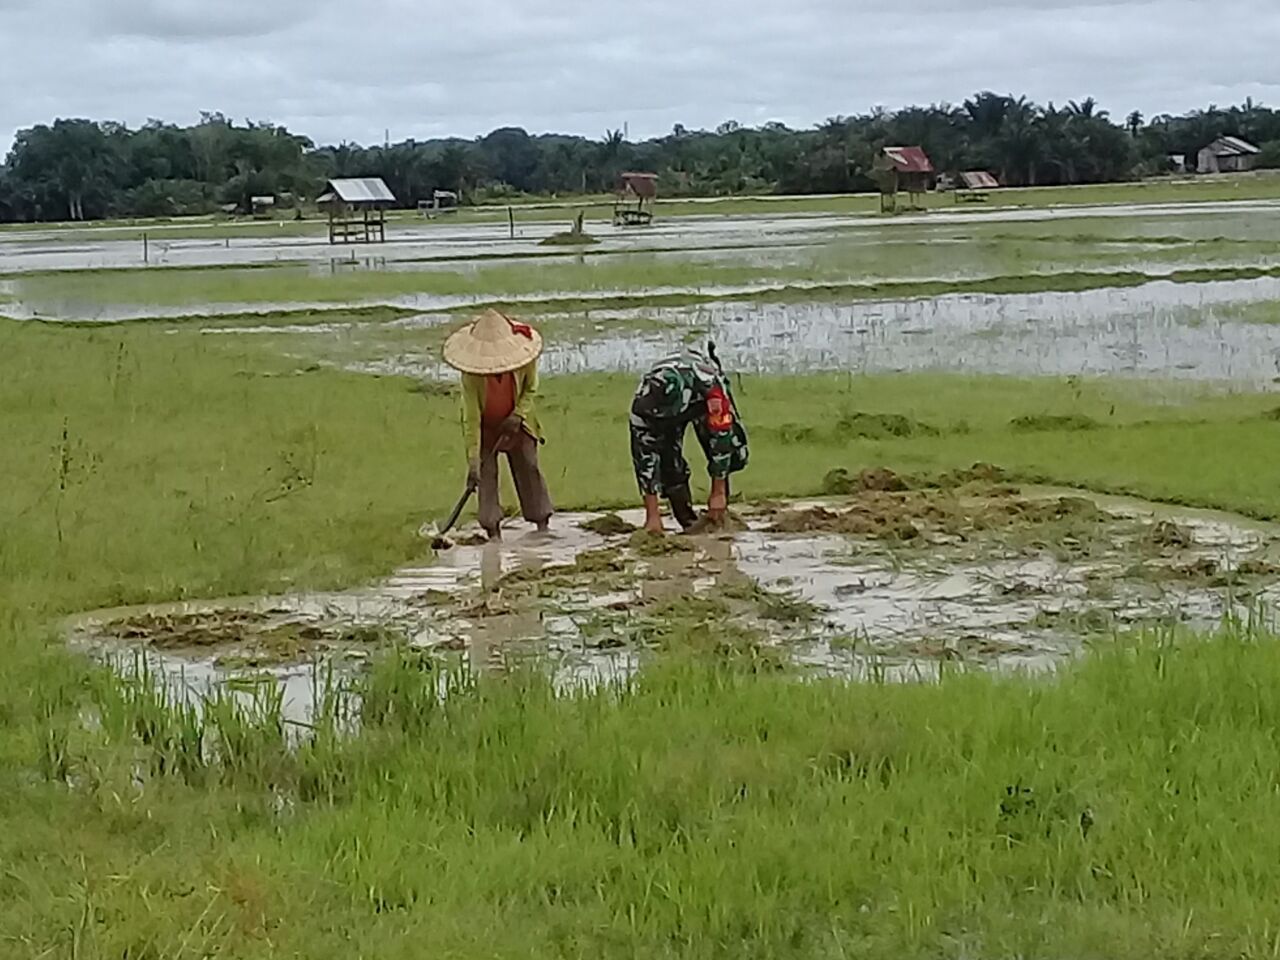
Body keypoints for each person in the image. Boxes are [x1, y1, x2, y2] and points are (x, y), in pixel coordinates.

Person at [443, 308, 553, 541]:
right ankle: (493, 532)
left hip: (519, 422)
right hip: (487, 427)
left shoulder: (524, 360)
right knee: (485, 475)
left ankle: (542, 525)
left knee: (528, 467)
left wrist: (517, 416)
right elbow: (471, 418)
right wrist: (473, 462)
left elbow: (530, 389)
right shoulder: (472, 376)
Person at [629, 345, 749, 534]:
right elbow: (644, 460)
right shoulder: (642, 409)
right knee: (669, 462)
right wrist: (652, 516)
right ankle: (687, 521)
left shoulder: (710, 388)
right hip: (668, 412)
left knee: (732, 448)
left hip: (698, 397)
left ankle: (719, 513)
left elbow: (721, 439)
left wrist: (717, 492)